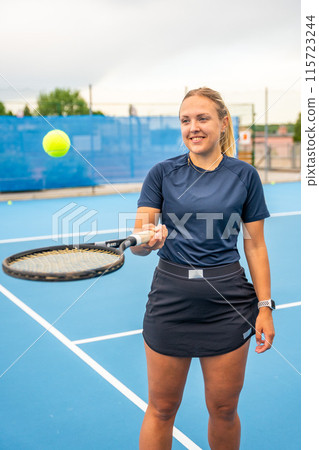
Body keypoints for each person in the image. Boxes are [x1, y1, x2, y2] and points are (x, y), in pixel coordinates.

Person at [130, 87, 275, 450]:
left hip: (228, 304)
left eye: (202, 118)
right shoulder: (162, 174)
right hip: (170, 301)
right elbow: (139, 242)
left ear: (223, 124)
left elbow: (255, 244)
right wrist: (148, 240)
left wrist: (265, 306)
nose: (193, 127)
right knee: (162, 408)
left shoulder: (245, 176)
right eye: (185, 120)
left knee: (224, 408)